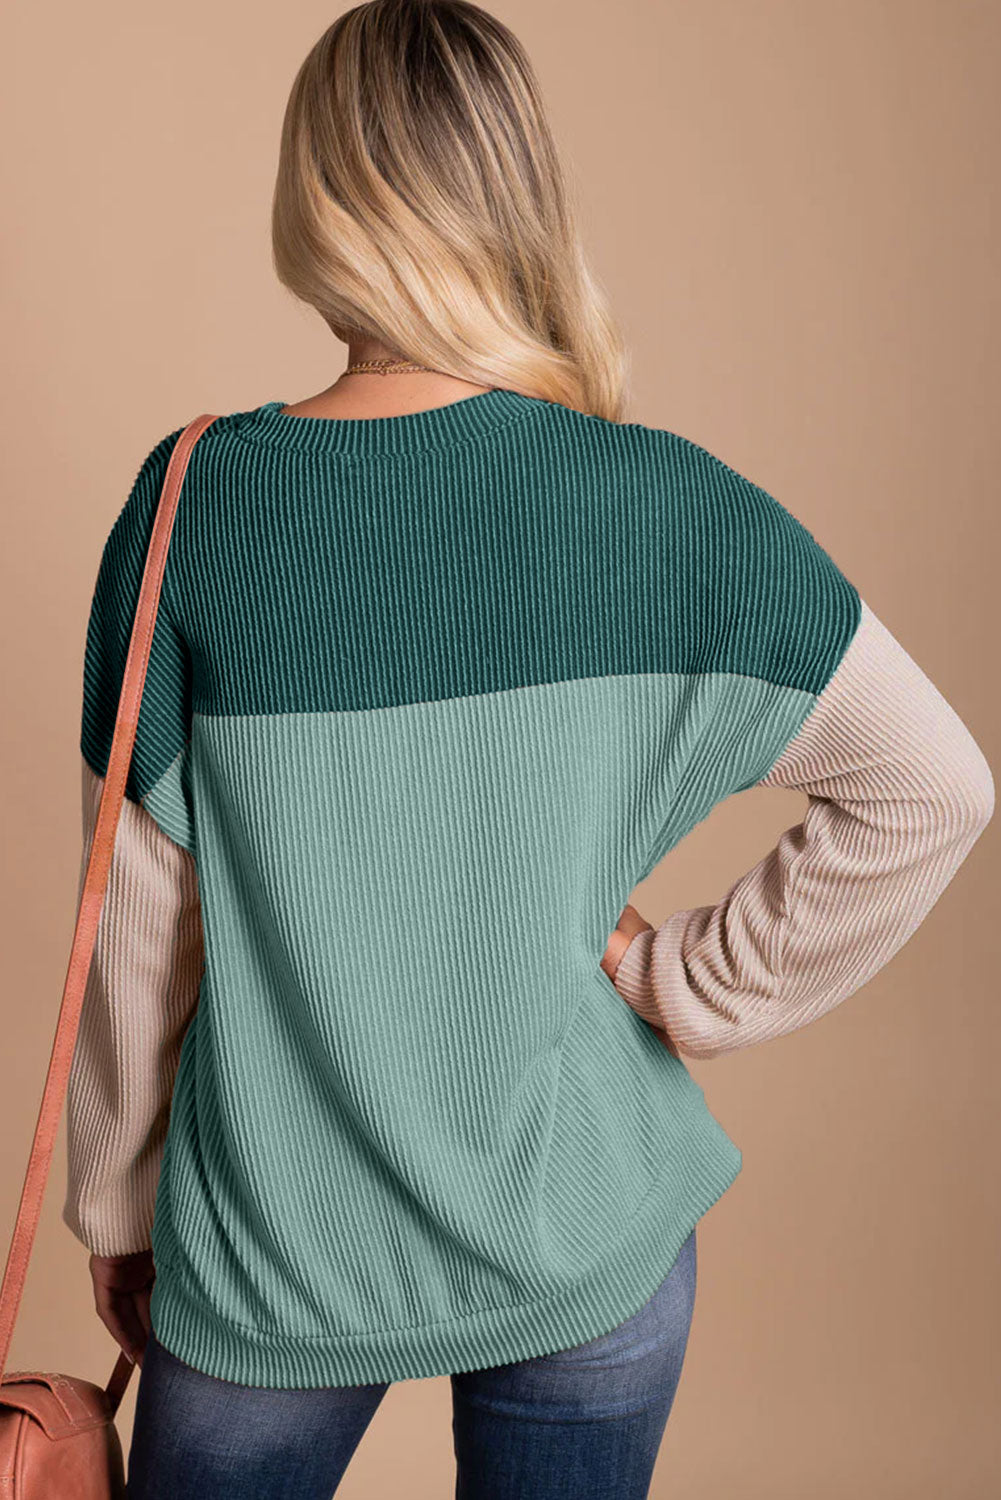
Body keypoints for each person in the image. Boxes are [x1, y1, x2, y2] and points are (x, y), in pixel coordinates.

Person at [61, 2, 994, 1497]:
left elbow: (134, 922)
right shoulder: (672, 506)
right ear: (518, 196)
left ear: (318, 195)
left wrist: (118, 1208)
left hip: (273, 1252)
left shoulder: (195, 508)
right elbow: (933, 785)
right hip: (591, 1234)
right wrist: (686, 985)